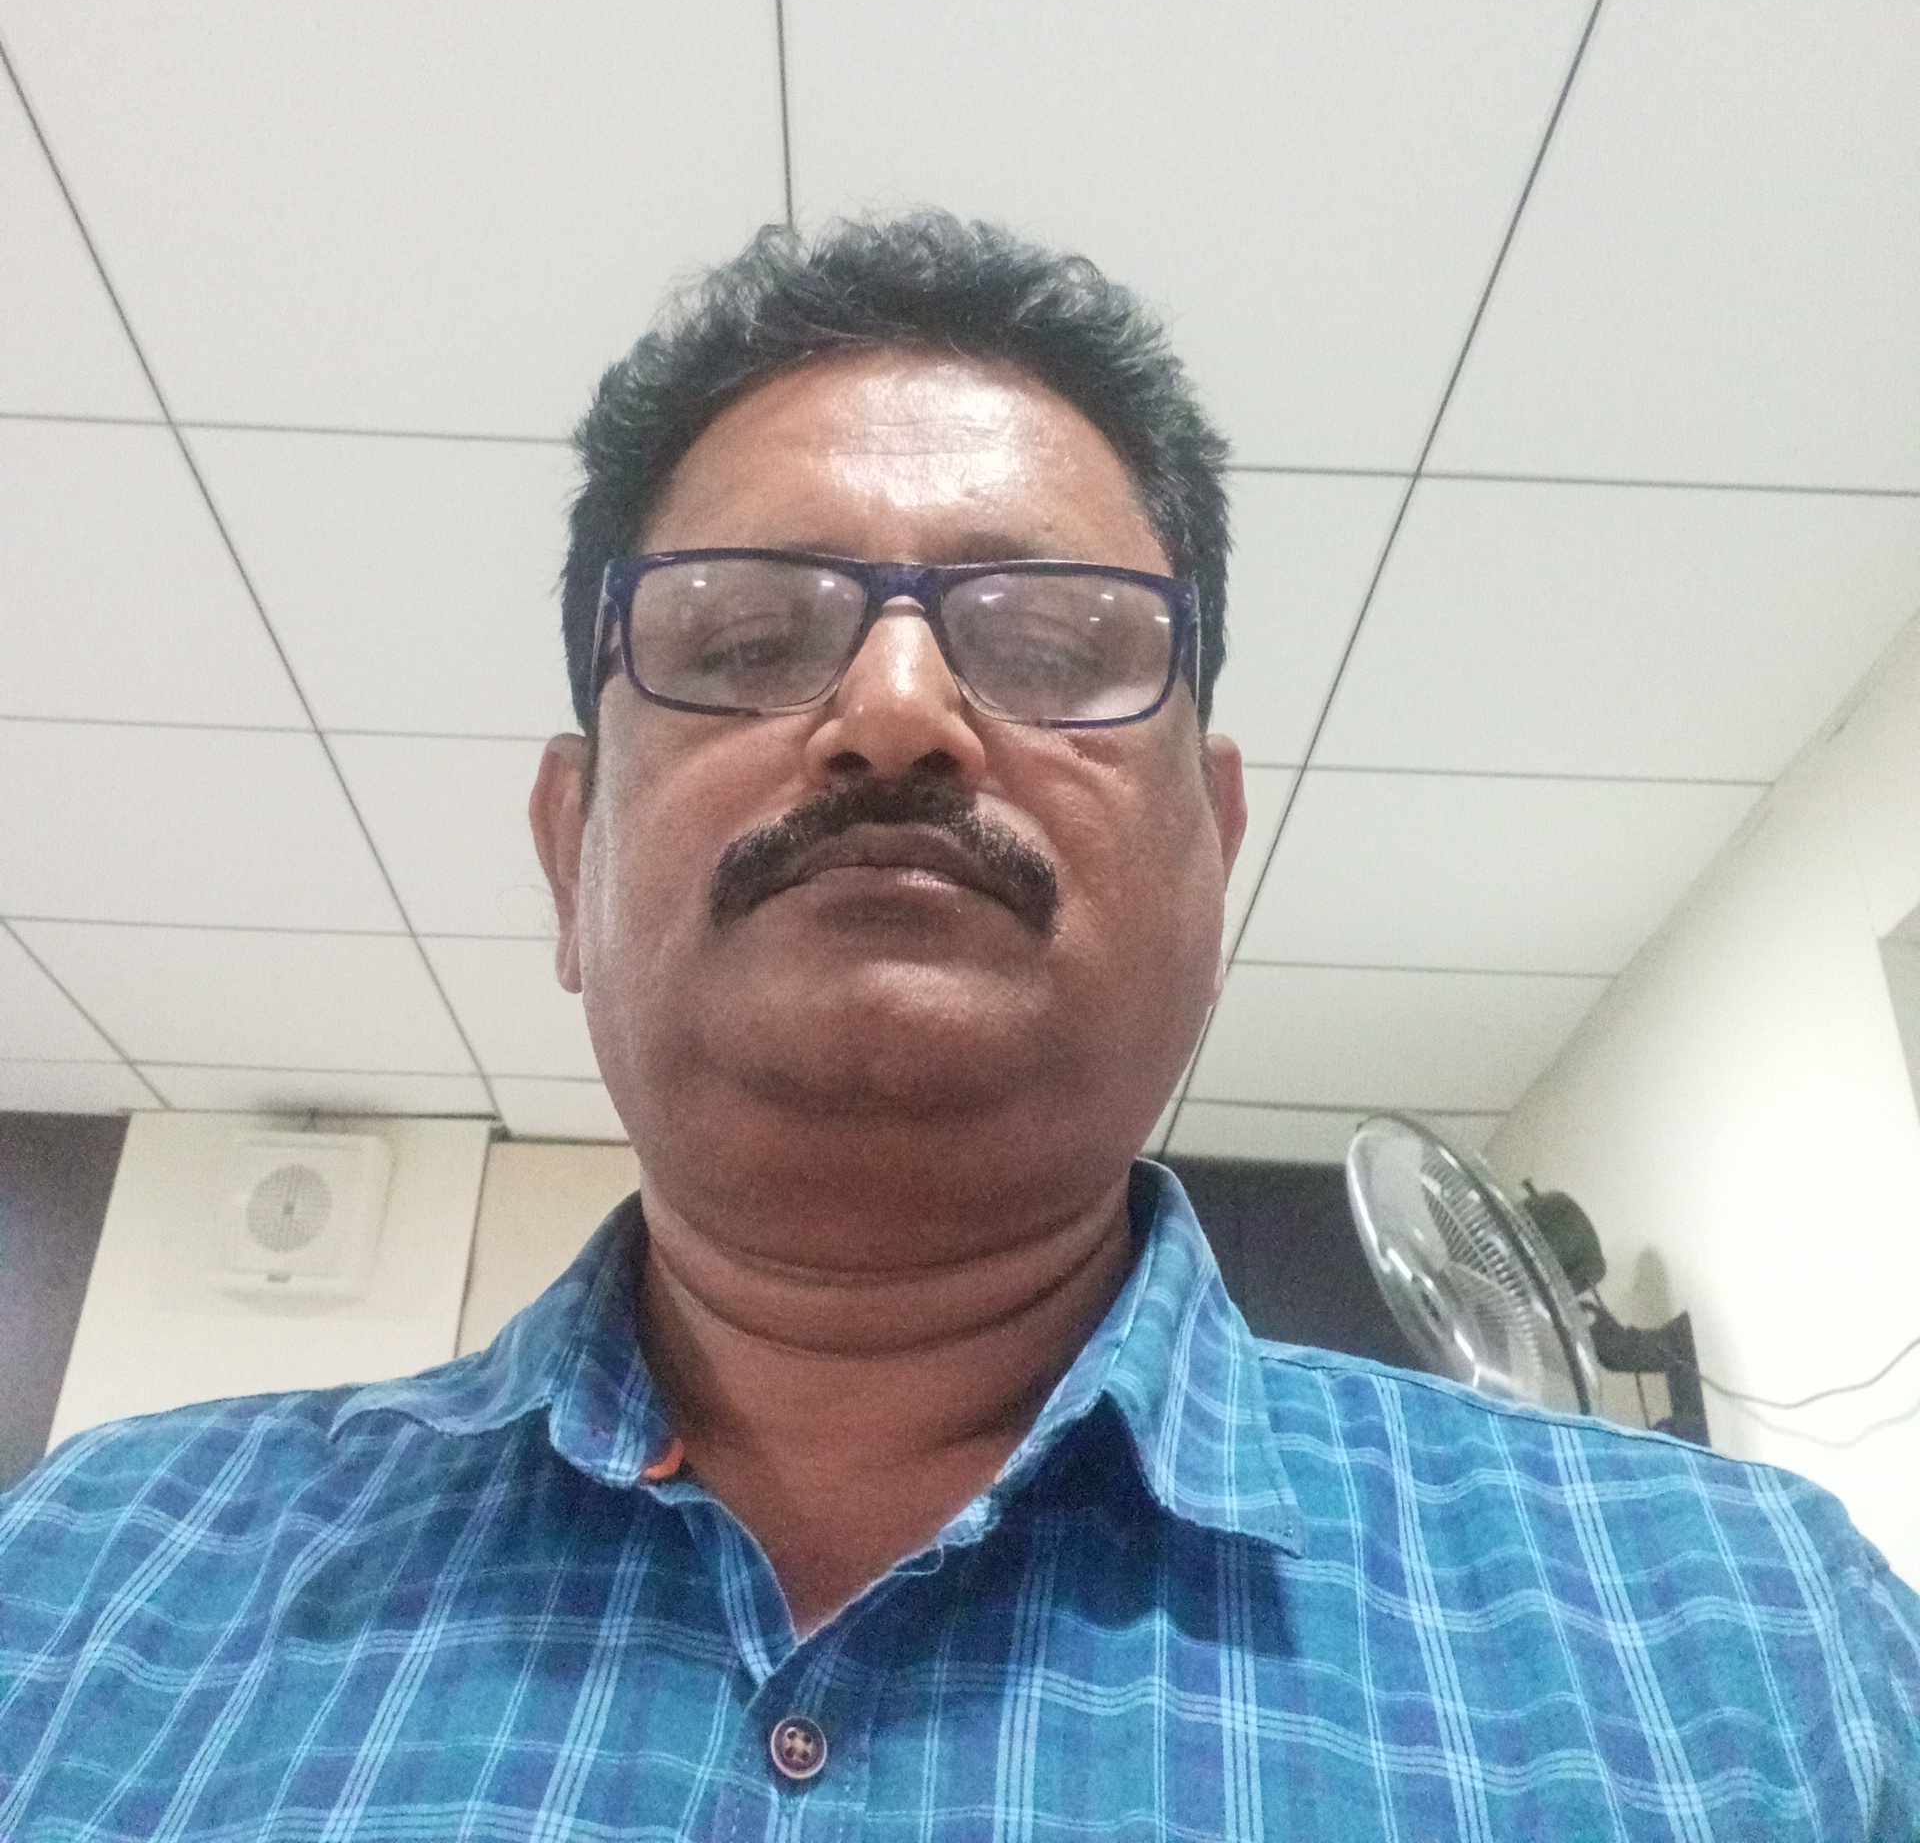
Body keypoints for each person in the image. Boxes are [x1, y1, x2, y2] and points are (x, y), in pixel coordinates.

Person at [2, 210, 1915, 1839]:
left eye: (1055, 644)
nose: (898, 709)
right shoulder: (91, 1588)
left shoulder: (1754, 1642)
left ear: (1214, 855)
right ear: (570, 852)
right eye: (744, 640)